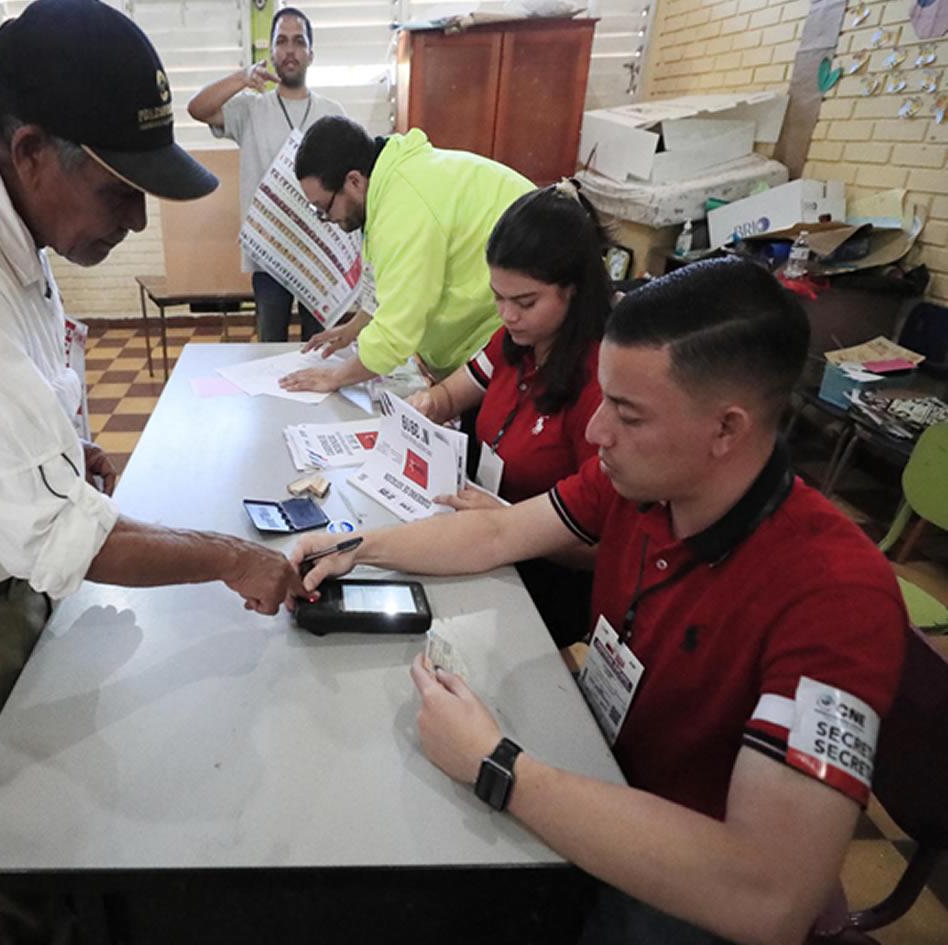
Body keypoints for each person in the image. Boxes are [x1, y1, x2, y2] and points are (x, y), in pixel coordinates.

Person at [0, 1, 306, 940]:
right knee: (13, 863)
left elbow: (21, 375)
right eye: (123, 191)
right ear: (35, 148)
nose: (135, 220)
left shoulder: (2, 199)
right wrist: (233, 558)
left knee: (67, 832)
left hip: (5, 577)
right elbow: (63, 537)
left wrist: (57, 440)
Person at [293, 258, 907, 945]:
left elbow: (767, 894)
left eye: (628, 413)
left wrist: (497, 766)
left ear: (727, 429)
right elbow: (497, 530)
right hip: (605, 778)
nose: (595, 433)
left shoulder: (836, 595)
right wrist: (357, 544)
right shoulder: (644, 482)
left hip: (693, 882)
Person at [407, 181, 610, 646]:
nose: (507, 315)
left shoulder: (598, 384)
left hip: (542, 585)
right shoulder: (515, 343)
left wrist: (510, 517)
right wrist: (421, 410)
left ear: (573, 292)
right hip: (483, 542)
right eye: (498, 298)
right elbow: (447, 398)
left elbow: (604, 548)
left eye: (525, 303)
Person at [277, 115, 533, 394]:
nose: (326, 218)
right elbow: (388, 283)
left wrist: (335, 376)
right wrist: (356, 326)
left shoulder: (403, 208)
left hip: (512, 337)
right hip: (487, 333)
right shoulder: (390, 182)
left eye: (324, 207)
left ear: (354, 181)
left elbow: (394, 335)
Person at [187, 7, 345, 342]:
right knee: (269, 344)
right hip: (268, 255)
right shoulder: (251, 109)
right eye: (282, 42)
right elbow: (197, 109)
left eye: (299, 42)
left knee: (317, 346)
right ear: (271, 52)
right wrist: (241, 78)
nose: (290, 50)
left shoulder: (332, 113)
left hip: (320, 256)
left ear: (311, 54)